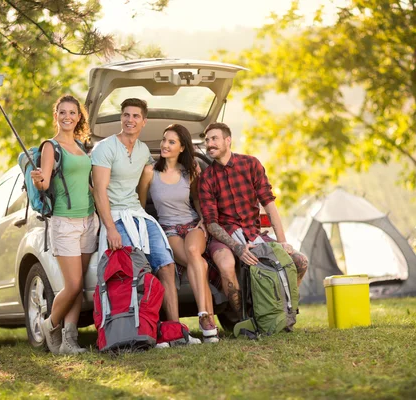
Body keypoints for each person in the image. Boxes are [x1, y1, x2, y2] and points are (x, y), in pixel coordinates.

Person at [91, 98, 200, 347]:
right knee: (134, 271)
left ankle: (173, 330)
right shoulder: (105, 148)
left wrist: (190, 169)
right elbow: (99, 191)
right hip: (116, 216)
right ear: (121, 118)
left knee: (167, 266)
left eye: (136, 116)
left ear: (144, 121)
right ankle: (142, 330)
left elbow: (162, 173)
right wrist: (110, 228)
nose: (130, 120)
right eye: (126, 115)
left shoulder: (142, 151)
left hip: (139, 215)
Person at [198, 122, 309, 313]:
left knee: (299, 261)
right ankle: (245, 318)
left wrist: (282, 242)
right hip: (225, 238)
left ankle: (285, 310)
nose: (209, 144)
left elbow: (269, 205)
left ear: (228, 140)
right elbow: (212, 223)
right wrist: (238, 248)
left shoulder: (251, 164)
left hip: (254, 233)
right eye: (207, 140)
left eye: (214, 138)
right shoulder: (206, 178)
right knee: (226, 265)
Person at [137, 124, 219, 343]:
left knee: (193, 251)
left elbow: (197, 198)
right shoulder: (150, 171)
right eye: (164, 140)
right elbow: (141, 205)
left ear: (182, 147)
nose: (165, 145)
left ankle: (203, 316)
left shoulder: (191, 169)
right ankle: (208, 322)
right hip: (168, 228)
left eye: (171, 142)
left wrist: (203, 218)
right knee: (199, 264)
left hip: (192, 224)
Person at [30, 95, 99, 355]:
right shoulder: (50, 146)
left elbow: (88, 184)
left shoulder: (82, 147)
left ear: (79, 116)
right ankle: (50, 324)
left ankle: (70, 341)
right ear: (56, 115)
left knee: (79, 287)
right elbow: (45, 182)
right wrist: (38, 180)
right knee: (72, 285)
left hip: (89, 220)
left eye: (72, 112)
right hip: (65, 222)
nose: (67, 116)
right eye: (62, 112)